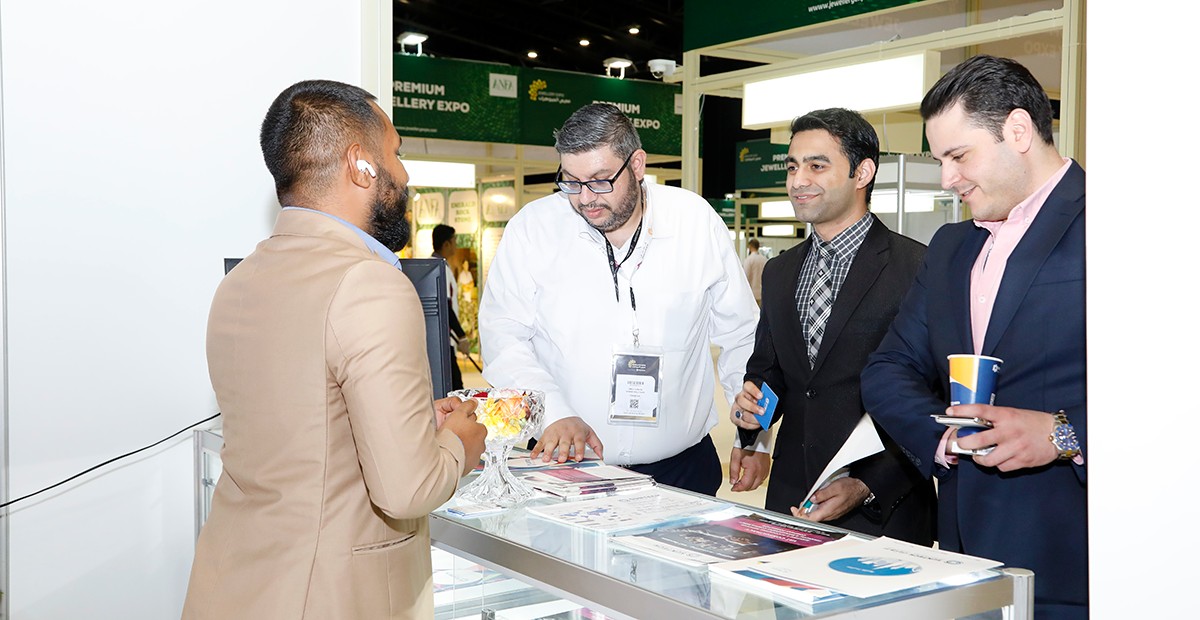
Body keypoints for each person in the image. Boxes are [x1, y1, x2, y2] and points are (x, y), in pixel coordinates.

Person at [183, 80, 487, 620]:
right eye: (395, 153)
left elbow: (306, 433)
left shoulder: (239, 281)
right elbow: (408, 488)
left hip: (231, 585)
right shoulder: (369, 284)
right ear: (361, 165)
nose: (405, 175)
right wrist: (459, 443)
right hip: (328, 595)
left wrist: (417, 425)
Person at [861, 55, 1086, 619]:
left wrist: (1064, 433)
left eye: (959, 156)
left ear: (1018, 131)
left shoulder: (1120, 226)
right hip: (963, 554)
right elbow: (888, 368)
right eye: (940, 160)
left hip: (1076, 557)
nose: (947, 179)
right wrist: (943, 438)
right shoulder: (951, 248)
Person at [479, 103, 761, 496]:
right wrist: (554, 413)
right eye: (571, 182)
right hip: (567, 466)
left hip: (682, 471)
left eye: (600, 181)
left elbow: (741, 334)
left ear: (637, 164)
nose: (585, 199)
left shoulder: (694, 222)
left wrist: (753, 437)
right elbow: (502, 336)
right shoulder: (534, 229)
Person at [728, 108, 934, 545]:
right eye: (792, 167)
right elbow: (770, 372)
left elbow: (933, 398)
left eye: (817, 166)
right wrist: (750, 420)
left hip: (884, 512)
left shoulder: (918, 267)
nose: (798, 180)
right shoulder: (781, 271)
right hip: (792, 501)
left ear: (863, 172)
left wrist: (867, 484)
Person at [431, 223, 470, 390]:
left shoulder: (435, 266)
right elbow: (445, 306)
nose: (456, 245)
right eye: (454, 241)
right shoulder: (440, 269)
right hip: (446, 341)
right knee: (456, 387)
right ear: (446, 244)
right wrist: (462, 336)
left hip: (442, 339)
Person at [742, 238, 767, 304]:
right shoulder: (764, 259)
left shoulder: (749, 260)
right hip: (762, 293)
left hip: (751, 293)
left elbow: (746, 276)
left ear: (750, 247)